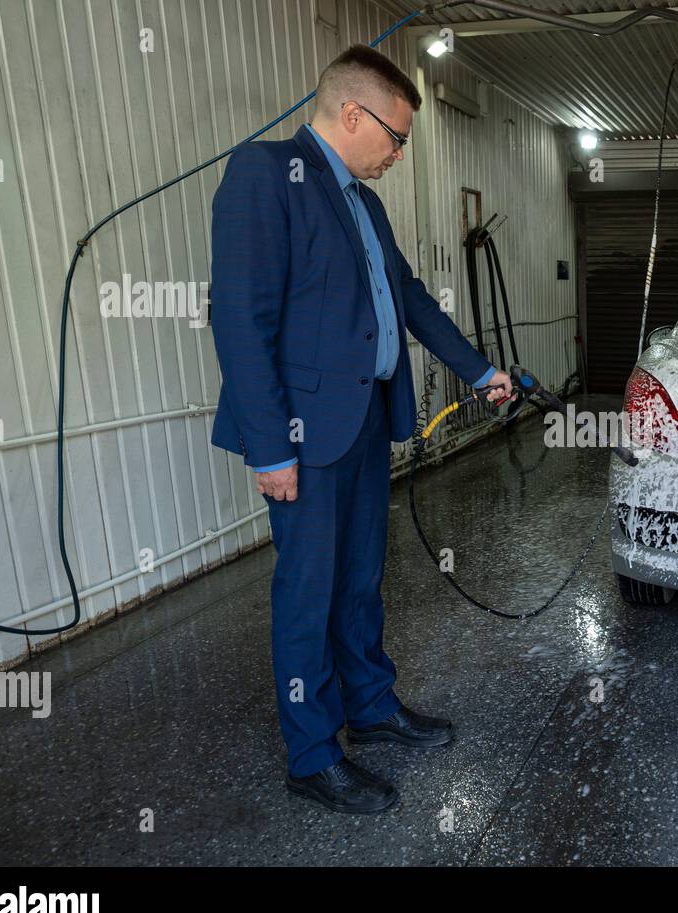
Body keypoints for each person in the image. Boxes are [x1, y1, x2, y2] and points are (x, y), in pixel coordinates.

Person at [208, 44, 513, 813]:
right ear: (353, 114)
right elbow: (241, 321)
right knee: (306, 595)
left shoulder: (363, 202)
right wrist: (270, 445)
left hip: (364, 424)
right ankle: (312, 754)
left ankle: (370, 708)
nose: (399, 155)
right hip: (303, 438)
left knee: (360, 582)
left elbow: (408, 298)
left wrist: (479, 371)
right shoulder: (264, 175)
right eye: (396, 137)